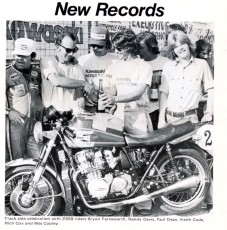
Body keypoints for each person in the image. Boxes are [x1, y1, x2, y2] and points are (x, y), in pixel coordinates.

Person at [101, 28, 153, 215]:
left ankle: (142, 203)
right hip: (116, 115)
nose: (116, 52)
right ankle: (116, 202)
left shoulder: (144, 66)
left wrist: (115, 98)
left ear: (128, 47)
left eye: (119, 48)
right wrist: (108, 97)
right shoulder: (114, 66)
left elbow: (138, 92)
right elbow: (108, 87)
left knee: (139, 159)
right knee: (113, 159)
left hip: (137, 115)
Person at [40, 32, 87, 175]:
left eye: (74, 50)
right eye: (68, 50)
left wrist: (80, 117)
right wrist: (83, 83)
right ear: (57, 47)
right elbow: (57, 81)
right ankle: (58, 197)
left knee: (77, 165)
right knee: (53, 166)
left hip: (70, 120)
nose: (71, 54)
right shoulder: (46, 61)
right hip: (51, 118)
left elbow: (79, 96)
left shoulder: (78, 68)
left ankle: (77, 198)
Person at [158, 31, 214, 128]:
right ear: (173, 50)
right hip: (170, 119)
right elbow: (163, 94)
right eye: (175, 46)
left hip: (191, 119)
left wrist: (209, 112)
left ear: (188, 44)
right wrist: (161, 120)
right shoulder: (168, 66)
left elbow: (211, 89)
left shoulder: (202, 64)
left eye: (182, 44)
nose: (180, 48)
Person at [6, 38, 43, 161]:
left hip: (35, 124)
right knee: (17, 161)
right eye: (18, 55)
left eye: (24, 56)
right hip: (16, 125)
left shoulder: (37, 72)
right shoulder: (6, 73)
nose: (20, 59)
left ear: (32, 57)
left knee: (40, 160)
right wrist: (8, 111)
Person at [78, 26, 116, 113]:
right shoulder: (83, 60)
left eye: (99, 46)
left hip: (109, 108)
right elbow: (78, 83)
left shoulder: (116, 60)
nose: (95, 48)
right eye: (93, 45)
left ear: (107, 44)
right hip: (88, 108)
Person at [136, 31, 169, 130]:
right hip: (141, 111)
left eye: (141, 48)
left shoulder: (166, 63)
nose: (138, 51)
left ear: (151, 46)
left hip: (160, 110)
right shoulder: (136, 64)